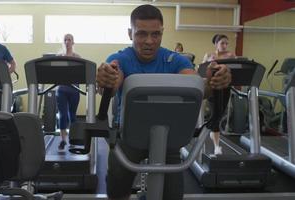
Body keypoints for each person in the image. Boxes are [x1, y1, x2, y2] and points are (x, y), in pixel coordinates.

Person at [96, 5, 231, 200]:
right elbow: (113, 81)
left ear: (162, 33)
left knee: (173, 196)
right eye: (141, 34)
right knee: (116, 191)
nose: (149, 41)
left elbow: (195, 86)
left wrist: (214, 82)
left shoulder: (175, 60)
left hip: (168, 138)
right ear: (130, 33)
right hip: (128, 136)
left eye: (155, 34)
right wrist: (106, 80)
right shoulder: (120, 58)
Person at [203, 34, 236, 155]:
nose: (225, 45)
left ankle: (212, 134)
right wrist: (208, 62)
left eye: (226, 43)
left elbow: (235, 71)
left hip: (225, 88)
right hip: (213, 89)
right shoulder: (209, 55)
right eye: (222, 43)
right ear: (216, 44)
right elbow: (202, 70)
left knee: (220, 114)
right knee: (215, 114)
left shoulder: (231, 55)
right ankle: (217, 146)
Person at [56, 33, 81, 150]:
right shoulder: (59, 57)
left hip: (74, 90)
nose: (67, 42)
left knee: (72, 115)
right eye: (65, 40)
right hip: (61, 90)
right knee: (63, 115)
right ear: (63, 42)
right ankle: (62, 140)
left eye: (69, 40)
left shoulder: (77, 57)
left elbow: (81, 74)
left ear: (73, 42)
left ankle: (73, 137)